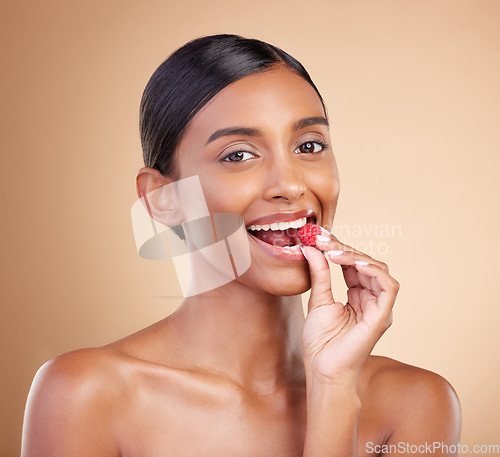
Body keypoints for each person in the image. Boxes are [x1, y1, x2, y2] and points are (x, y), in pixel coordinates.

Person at [21, 34, 461, 456]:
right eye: (238, 155)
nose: (290, 184)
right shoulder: (85, 395)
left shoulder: (416, 402)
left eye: (309, 145)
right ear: (163, 199)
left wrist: (333, 388)